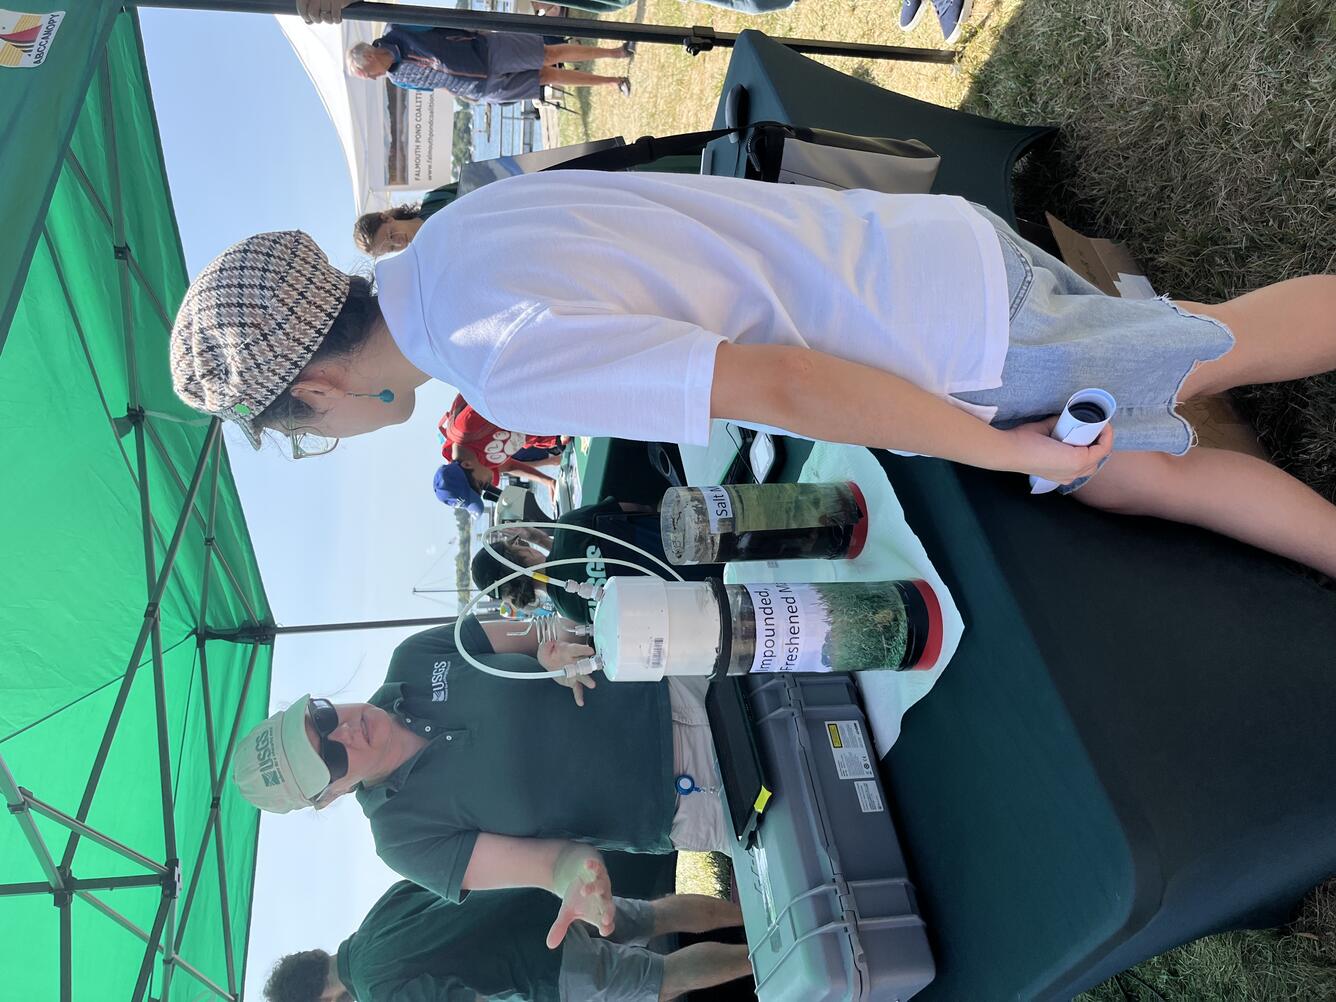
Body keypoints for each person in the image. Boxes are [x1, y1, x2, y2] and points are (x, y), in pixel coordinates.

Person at [169, 173, 1336, 580]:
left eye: (300, 430)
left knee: (1212, 350)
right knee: (1133, 468)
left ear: (311, 392)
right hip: (923, 258)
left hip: (950, 342)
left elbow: (781, 386)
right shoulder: (462, 227)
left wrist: (993, 447)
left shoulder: (492, 359)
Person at [230, 619, 728, 920]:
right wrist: (577, 880)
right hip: (685, 799)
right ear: (331, 796)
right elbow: (550, 865)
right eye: (331, 757)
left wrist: (554, 647)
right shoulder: (402, 837)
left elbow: (549, 631)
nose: (344, 731)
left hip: (673, 682)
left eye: (321, 718)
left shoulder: (414, 657)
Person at [261, 880, 749, 1002]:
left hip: (542, 966)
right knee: (656, 915)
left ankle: (772, 950)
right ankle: (756, 909)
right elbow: (460, 884)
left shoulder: (378, 991)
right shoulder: (380, 911)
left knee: (661, 978)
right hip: (540, 902)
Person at [472, 497, 720, 624]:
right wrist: (541, 537)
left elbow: (571, 571)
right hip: (712, 542)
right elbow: (638, 508)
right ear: (520, 553)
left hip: (716, 594)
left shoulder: (573, 612)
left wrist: (544, 541)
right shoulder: (571, 526)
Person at [346, 25, 633, 105]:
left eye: (366, 75)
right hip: (482, 89)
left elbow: (438, 22)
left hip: (485, 50)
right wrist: (467, 96)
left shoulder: (397, 29)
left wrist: (476, 32)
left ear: (369, 57)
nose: (371, 79)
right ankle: (614, 82)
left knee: (548, 54)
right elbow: (436, 88)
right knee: (546, 77)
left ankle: (616, 52)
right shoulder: (397, 79)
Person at [435, 394, 565, 511]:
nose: (488, 486)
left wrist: (559, 418)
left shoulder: (468, 425)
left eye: (481, 484)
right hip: (553, 429)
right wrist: (548, 481)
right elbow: (509, 466)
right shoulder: (473, 461)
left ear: (467, 465)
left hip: (553, 404)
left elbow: (510, 392)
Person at [353, 184, 460, 258]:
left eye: (391, 236)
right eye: (392, 248)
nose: (398, 243)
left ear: (386, 218)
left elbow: (470, 181)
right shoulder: (428, 259)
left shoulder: (434, 199)